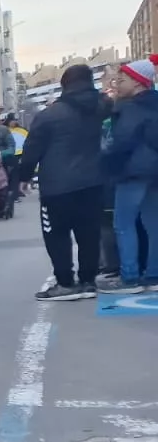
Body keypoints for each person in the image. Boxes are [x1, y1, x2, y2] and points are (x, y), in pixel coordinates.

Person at [18, 64, 110, 301]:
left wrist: (23, 177)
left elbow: (32, 149)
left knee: (56, 235)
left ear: (64, 84)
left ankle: (66, 283)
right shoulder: (101, 107)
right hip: (92, 182)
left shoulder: (49, 115)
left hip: (57, 187)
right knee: (89, 233)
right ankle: (88, 281)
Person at [99, 56, 158, 293]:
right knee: (153, 225)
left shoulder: (130, 108)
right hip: (154, 172)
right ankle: (154, 275)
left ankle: (129, 277)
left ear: (137, 83)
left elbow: (121, 142)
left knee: (123, 224)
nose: (116, 84)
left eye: (121, 79)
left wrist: (108, 164)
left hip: (132, 171)